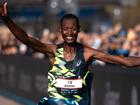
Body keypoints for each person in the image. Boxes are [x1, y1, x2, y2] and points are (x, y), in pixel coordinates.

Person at [0, 2, 140, 105]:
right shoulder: (54, 51)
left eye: (73, 29)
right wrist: (7, 20)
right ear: (61, 31)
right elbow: (26, 39)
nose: (69, 33)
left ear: (78, 30)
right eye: (66, 29)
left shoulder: (87, 53)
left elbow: (124, 61)